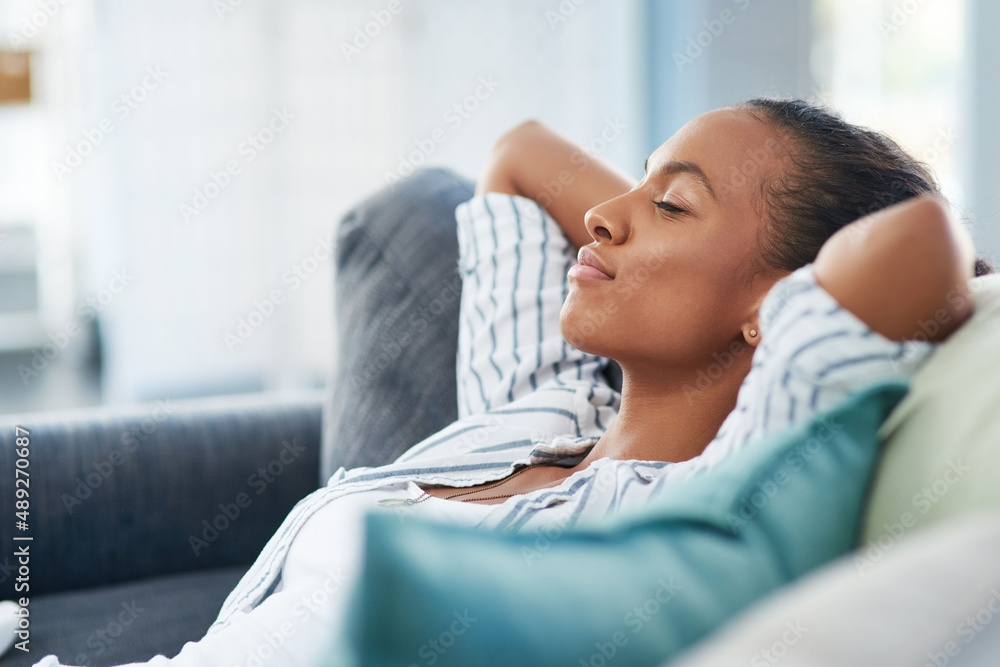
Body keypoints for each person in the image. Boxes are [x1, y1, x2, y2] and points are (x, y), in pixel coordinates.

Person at [31, 98, 986, 665]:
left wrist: (759, 289)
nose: (603, 217)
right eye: (636, 186)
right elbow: (521, 154)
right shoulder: (547, 406)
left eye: (670, 203)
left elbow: (922, 243)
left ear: (786, 306)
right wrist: (677, 231)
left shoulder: (699, 499)